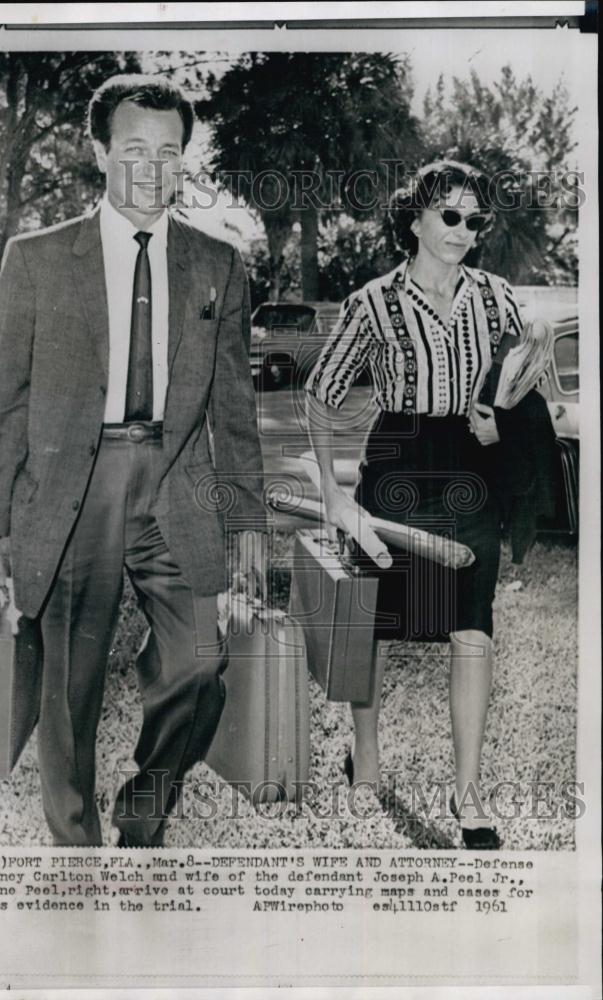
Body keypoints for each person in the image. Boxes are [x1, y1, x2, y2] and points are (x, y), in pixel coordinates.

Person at [0, 74, 267, 847]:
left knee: (201, 665)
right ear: (98, 151)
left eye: (169, 154)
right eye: (133, 149)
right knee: (69, 684)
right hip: (71, 488)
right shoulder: (34, 260)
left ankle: (145, 808)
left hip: (176, 486)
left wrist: (247, 525)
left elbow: (234, 412)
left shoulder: (218, 264)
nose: (151, 169)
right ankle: (76, 846)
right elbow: (4, 401)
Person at [306, 160, 534, 850]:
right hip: (396, 462)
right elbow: (320, 394)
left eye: (473, 219)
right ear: (413, 220)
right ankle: (365, 759)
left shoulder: (495, 296)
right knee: (374, 625)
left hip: (470, 470)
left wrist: (503, 417)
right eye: (449, 216)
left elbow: (526, 366)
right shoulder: (371, 302)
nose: (463, 232)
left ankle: (466, 795)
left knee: (471, 625)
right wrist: (332, 494)